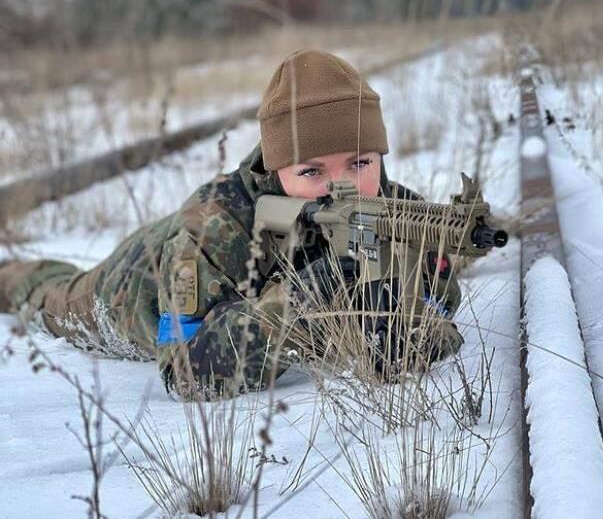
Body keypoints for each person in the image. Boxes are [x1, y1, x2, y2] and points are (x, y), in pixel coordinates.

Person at [0, 50, 462, 400]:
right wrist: (304, 299)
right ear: (277, 167)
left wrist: (408, 322)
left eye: (359, 163)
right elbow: (182, 371)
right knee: (45, 294)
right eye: (311, 172)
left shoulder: (388, 205)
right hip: (128, 290)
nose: (338, 186)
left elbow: (439, 293)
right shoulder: (213, 224)